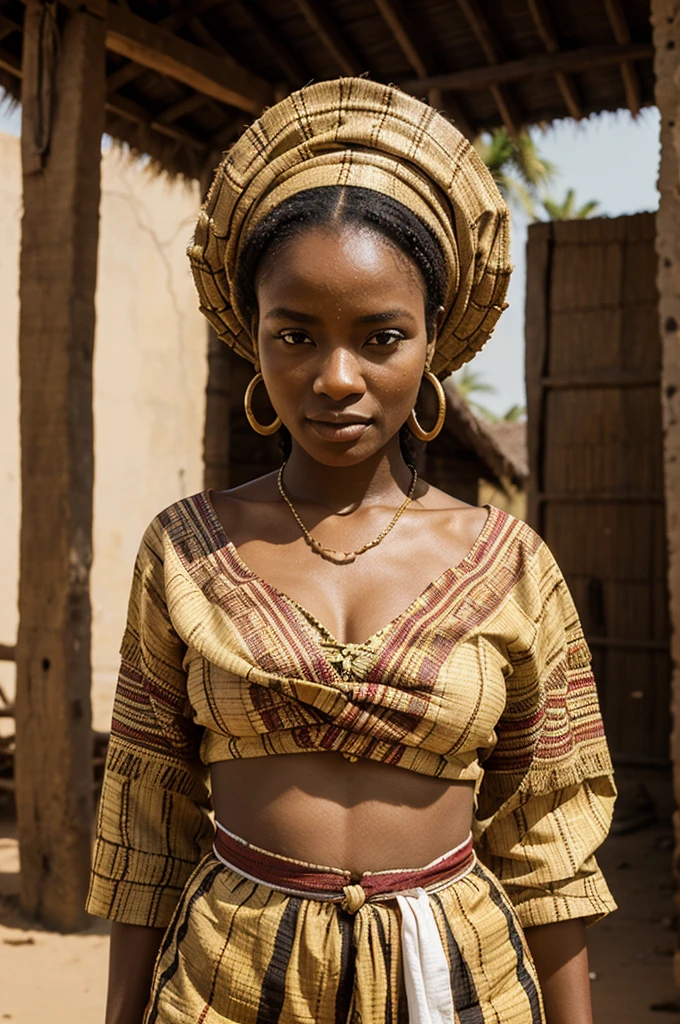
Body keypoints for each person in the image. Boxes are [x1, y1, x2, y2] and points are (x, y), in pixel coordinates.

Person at [87, 78, 617, 1024]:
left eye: (381, 337)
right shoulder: (183, 552)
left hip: (456, 981)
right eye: (296, 335)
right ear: (253, 339)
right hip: (231, 982)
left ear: (431, 346)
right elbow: (144, 824)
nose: (337, 378)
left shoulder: (511, 563)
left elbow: (550, 838)